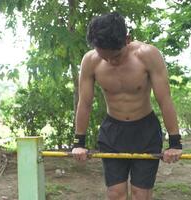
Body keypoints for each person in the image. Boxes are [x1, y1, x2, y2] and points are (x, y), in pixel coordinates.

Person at [71, 12, 183, 200]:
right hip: (112, 132)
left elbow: (165, 100)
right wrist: (78, 143)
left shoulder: (148, 55)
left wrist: (175, 143)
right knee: (115, 194)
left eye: (115, 56)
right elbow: (85, 103)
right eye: (104, 56)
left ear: (127, 39)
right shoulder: (91, 61)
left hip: (145, 131)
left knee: (141, 195)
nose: (110, 61)